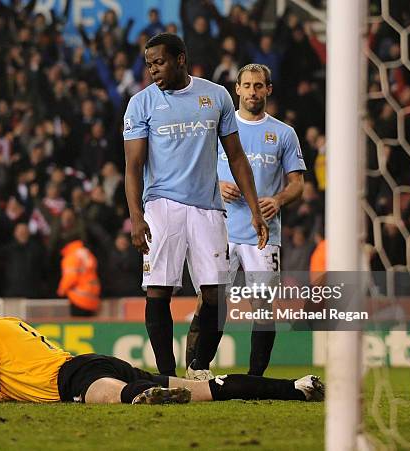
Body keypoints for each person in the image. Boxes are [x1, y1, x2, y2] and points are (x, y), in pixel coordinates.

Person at [123, 33, 268, 378]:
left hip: (208, 208)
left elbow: (236, 156)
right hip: (161, 206)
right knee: (158, 289)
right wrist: (136, 217)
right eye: (149, 65)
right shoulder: (140, 104)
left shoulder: (215, 96)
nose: (153, 71)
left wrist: (255, 210)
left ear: (180, 59)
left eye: (159, 63)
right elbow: (133, 166)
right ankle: (165, 374)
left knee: (217, 295)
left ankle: (199, 369)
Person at [0, 288, 324, 405]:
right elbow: (0, 390)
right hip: (94, 363)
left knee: (105, 397)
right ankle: (296, 387)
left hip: (74, 376)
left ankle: (142, 396)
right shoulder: (9, 327)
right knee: (207, 389)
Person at [186, 64, 306, 376]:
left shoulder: (283, 133)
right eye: (247, 86)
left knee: (263, 308)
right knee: (210, 303)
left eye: (258, 86)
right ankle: (196, 370)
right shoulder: (218, 130)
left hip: (263, 234)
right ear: (237, 90)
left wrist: (278, 199)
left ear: (268, 90)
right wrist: (215, 183)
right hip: (219, 230)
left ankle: (255, 379)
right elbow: (191, 168)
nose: (252, 92)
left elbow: (298, 183)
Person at [56, 238, 101, 316]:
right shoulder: (88, 254)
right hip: (92, 297)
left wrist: (61, 290)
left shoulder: (71, 257)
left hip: (78, 298)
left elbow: (71, 277)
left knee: (77, 326)